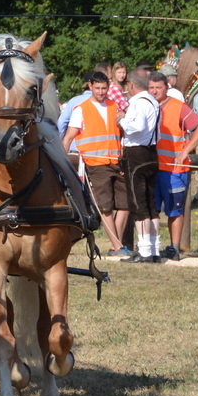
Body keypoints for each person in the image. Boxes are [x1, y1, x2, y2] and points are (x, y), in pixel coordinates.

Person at [63, 71, 127, 258]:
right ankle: (117, 245)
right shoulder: (81, 109)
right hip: (94, 163)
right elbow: (69, 136)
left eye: (104, 88)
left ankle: (118, 244)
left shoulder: (115, 106)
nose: (100, 92)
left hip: (117, 161)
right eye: (97, 88)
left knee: (125, 205)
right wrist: (62, 162)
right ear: (90, 87)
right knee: (105, 206)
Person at [153, 72, 198, 258]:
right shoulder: (146, 106)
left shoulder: (178, 107)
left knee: (174, 210)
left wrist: (185, 151)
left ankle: (174, 247)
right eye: (151, 88)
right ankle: (151, 247)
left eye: (158, 87)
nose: (155, 91)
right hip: (153, 168)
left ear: (167, 88)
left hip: (174, 170)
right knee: (152, 210)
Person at [119, 72, 163, 261]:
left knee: (138, 203)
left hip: (136, 153)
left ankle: (144, 250)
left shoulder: (137, 102)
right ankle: (154, 247)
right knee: (151, 202)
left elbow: (136, 127)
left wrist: (121, 119)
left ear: (131, 85)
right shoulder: (154, 102)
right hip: (152, 151)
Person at [56, 70, 96, 136]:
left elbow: (61, 123)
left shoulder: (74, 101)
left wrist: (61, 141)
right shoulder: (108, 102)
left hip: (77, 144)